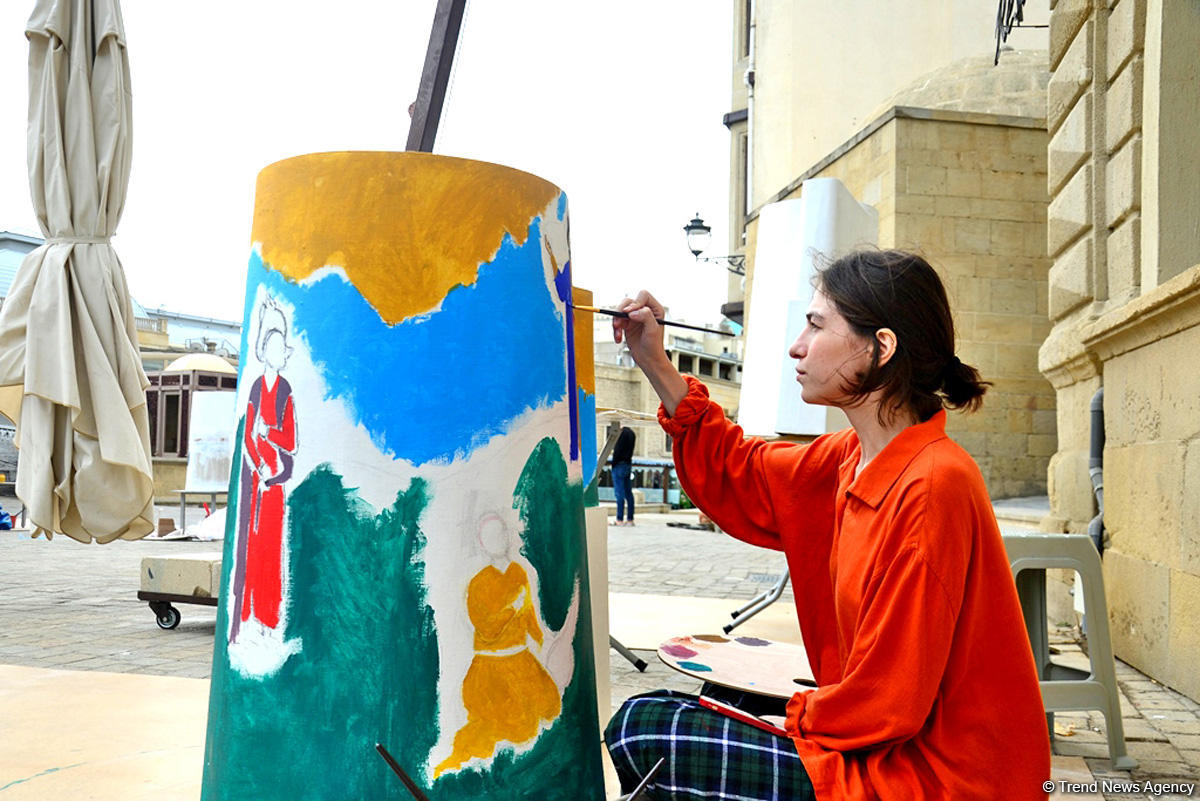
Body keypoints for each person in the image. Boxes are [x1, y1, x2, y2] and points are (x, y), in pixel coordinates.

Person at [604, 250, 1051, 800]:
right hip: (881, 740)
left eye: (816, 325)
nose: (797, 345)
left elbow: (889, 702)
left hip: (935, 775)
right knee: (688, 708)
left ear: (880, 347)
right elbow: (741, 471)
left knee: (646, 729)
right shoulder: (851, 457)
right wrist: (655, 361)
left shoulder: (933, 486)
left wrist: (789, 712)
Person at [611, 425, 637, 526]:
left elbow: (617, 450)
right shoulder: (632, 434)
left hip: (619, 465)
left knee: (619, 493)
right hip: (627, 464)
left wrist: (614, 463)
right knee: (628, 493)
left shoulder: (622, 434)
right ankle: (630, 519)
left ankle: (619, 519)